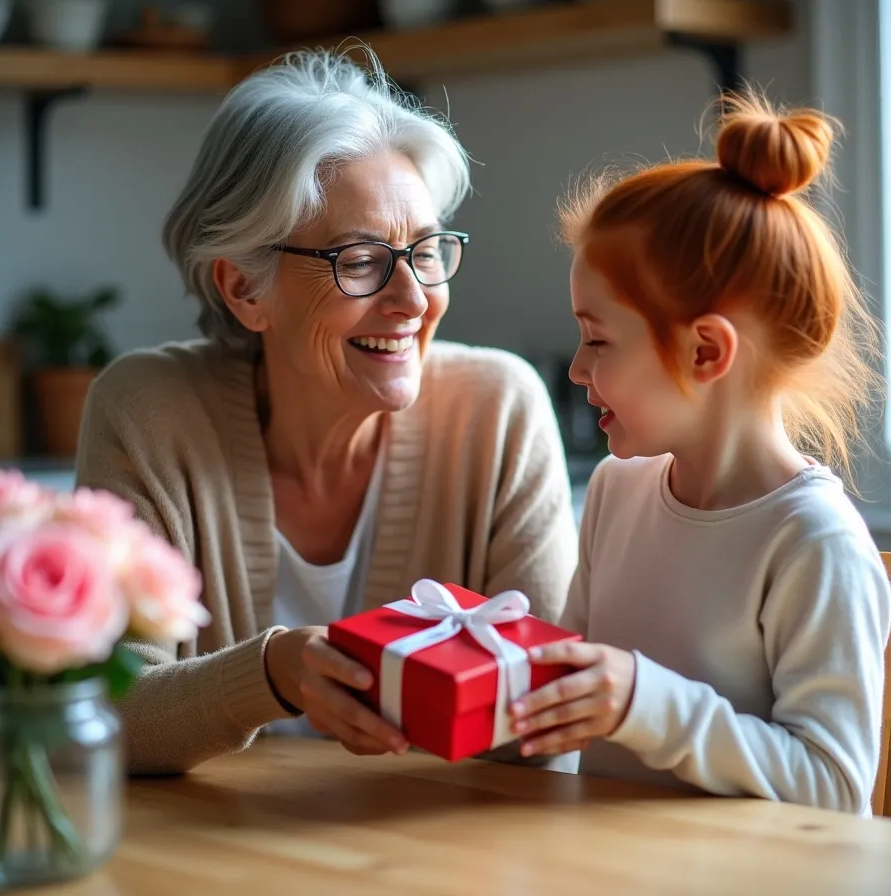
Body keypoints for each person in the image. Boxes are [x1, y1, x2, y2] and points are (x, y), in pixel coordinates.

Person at [75, 49, 577, 775]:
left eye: (427, 251)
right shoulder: (149, 413)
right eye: (363, 259)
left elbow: (548, 724)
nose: (413, 300)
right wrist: (272, 675)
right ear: (245, 287)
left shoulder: (498, 410)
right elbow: (99, 717)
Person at [508, 93, 891, 815]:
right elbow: (559, 704)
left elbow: (836, 792)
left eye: (598, 340)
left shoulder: (815, 543)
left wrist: (645, 703)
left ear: (706, 350)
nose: (577, 371)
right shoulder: (617, 494)